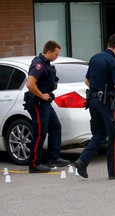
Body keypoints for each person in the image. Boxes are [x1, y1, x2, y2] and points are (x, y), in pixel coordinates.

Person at [75, 34, 115, 180]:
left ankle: (82, 161)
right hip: (107, 103)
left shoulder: (95, 58)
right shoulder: (113, 62)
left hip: (93, 101)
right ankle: (114, 171)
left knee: (99, 134)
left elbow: (87, 81)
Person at [25, 40, 70, 173]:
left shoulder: (46, 64)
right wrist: (41, 95)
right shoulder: (39, 65)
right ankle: (34, 164)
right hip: (38, 103)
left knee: (55, 127)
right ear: (48, 52)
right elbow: (30, 84)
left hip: (46, 103)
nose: (57, 56)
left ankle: (53, 158)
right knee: (40, 133)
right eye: (55, 54)